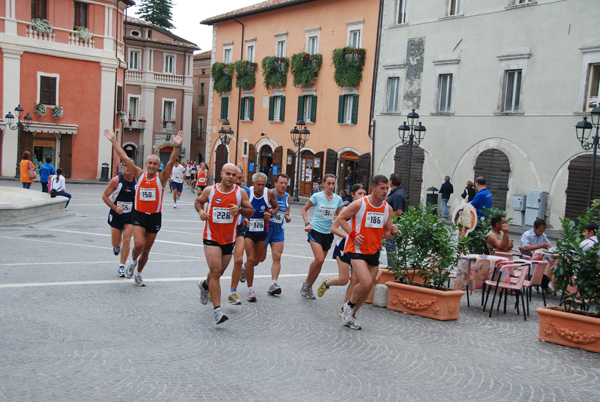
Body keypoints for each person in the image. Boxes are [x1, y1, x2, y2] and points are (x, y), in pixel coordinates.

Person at [104, 128, 184, 287]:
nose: (152, 166)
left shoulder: (161, 178)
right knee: (138, 244)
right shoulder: (139, 175)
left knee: (146, 251)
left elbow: (171, 161)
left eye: (155, 164)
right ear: (146, 164)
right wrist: (113, 141)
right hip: (138, 215)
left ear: (158, 166)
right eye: (150, 163)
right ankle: (133, 262)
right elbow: (124, 157)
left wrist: (176, 146)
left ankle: (139, 273)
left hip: (154, 217)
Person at [336, 175, 398, 330]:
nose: (385, 191)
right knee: (366, 281)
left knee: (368, 288)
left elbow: (386, 234)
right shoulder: (360, 204)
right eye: (382, 188)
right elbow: (341, 218)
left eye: (387, 189)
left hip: (373, 250)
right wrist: (353, 234)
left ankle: (351, 315)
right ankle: (348, 306)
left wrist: (393, 231)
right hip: (356, 249)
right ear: (373, 188)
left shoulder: (387, 209)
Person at [196, 163, 253, 324]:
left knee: (218, 273)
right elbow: (198, 202)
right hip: (211, 237)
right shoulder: (210, 190)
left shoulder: (240, 193)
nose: (230, 177)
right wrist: (201, 212)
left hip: (229, 239)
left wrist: (240, 210)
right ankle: (217, 311)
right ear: (221, 173)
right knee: (215, 272)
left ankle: (205, 285)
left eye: (234, 175)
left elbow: (251, 211)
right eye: (228, 174)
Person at [319, 184, 367, 306]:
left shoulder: (365, 210)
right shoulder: (346, 209)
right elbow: (333, 228)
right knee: (344, 280)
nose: (362, 196)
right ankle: (326, 283)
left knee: (355, 280)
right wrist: (350, 236)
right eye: (359, 194)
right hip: (343, 246)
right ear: (353, 195)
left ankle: (346, 308)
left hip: (357, 248)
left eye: (364, 194)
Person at [300, 174, 344, 299]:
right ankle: (307, 283)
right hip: (315, 231)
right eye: (329, 183)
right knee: (319, 259)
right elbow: (304, 209)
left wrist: (337, 219)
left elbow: (339, 217)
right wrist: (307, 223)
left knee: (320, 262)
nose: (331, 186)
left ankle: (308, 287)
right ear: (323, 184)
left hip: (328, 233)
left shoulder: (338, 199)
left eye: (333, 184)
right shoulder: (316, 197)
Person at [243, 172, 278, 302]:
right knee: (251, 258)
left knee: (258, 260)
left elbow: (275, 207)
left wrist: (271, 214)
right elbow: (241, 208)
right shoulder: (247, 193)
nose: (261, 187)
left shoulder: (269, 193)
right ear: (253, 183)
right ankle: (250, 289)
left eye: (263, 185)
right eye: (259, 184)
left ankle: (244, 268)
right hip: (249, 230)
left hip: (262, 231)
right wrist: (245, 216)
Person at [102, 160, 136, 277]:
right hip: (116, 214)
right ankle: (116, 247)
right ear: (122, 167)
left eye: (129, 165)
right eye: (125, 165)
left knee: (127, 239)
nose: (127, 167)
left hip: (130, 215)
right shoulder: (116, 181)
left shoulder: (137, 181)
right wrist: (115, 207)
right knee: (116, 242)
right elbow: (105, 196)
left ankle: (121, 266)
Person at [226, 166, 251, 305]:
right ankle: (208, 284)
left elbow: (249, 209)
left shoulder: (244, 191)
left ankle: (232, 292)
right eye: (237, 177)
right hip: (223, 229)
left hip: (239, 228)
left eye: (241, 178)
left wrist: (244, 215)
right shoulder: (221, 190)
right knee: (218, 266)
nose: (239, 180)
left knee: (239, 259)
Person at [266, 173, 292, 296]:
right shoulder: (269, 193)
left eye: (285, 183)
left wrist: (287, 216)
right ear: (275, 183)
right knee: (257, 258)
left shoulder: (287, 196)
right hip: (265, 228)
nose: (283, 185)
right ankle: (245, 267)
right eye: (281, 183)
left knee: (277, 256)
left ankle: (273, 283)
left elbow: (287, 209)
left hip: (278, 229)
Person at [384, 173, 407, 267]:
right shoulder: (396, 192)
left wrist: (388, 215)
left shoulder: (397, 194)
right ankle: (392, 265)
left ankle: (392, 266)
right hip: (391, 223)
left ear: (391, 182)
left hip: (393, 224)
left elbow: (399, 211)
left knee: (390, 246)